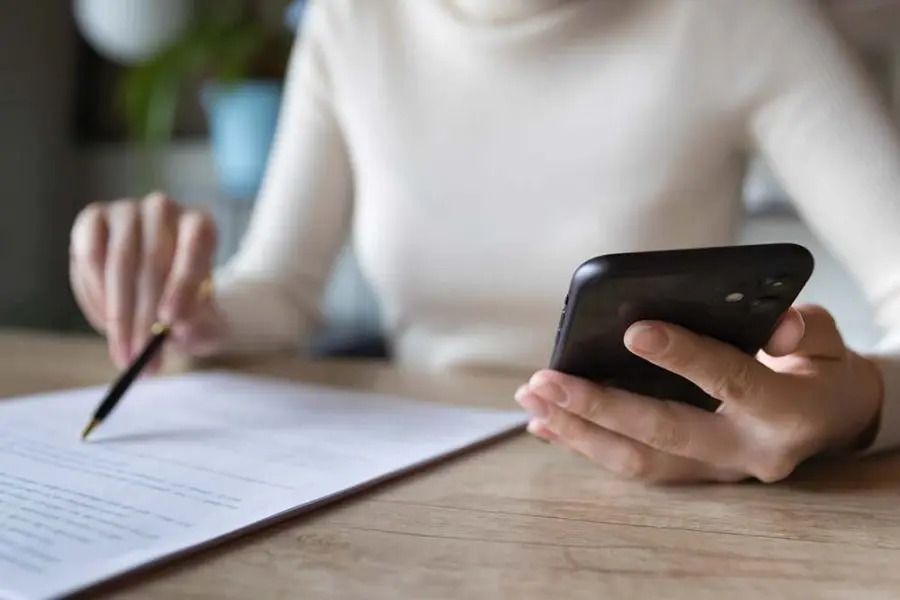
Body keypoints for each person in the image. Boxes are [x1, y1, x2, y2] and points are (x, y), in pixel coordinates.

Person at [69, 0, 900, 484]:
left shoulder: (745, 22)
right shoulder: (352, 22)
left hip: (668, 488)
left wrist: (855, 405)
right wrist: (186, 303)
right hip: (401, 482)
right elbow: (281, 291)